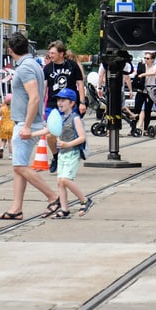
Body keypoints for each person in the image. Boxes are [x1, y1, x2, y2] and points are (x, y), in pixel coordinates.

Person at [0, 31, 60, 220]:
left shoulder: (25, 68)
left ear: (10, 50)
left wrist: (27, 126)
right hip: (25, 121)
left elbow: (35, 97)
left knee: (20, 166)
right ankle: (16, 208)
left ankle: (52, 197)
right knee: (18, 166)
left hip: (25, 122)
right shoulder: (33, 64)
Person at [33, 88, 94, 218]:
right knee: (60, 181)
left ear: (72, 103)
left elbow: (82, 137)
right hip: (62, 154)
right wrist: (30, 134)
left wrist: (67, 144)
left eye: (63, 100)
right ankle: (64, 209)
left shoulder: (75, 118)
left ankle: (84, 200)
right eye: (58, 100)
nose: (59, 103)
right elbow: (47, 130)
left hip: (72, 153)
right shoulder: (58, 118)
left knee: (66, 180)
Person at [43, 40, 87, 173]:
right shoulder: (47, 68)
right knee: (50, 134)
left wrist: (82, 102)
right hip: (53, 104)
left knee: (70, 132)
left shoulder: (72, 66)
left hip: (70, 103)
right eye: (49, 52)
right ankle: (56, 156)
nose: (50, 55)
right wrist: (40, 105)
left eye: (53, 53)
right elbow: (44, 88)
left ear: (61, 53)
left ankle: (76, 150)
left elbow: (80, 84)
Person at [136, 52, 156, 132]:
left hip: (149, 92)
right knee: (137, 110)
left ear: (152, 60)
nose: (145, 60)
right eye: (145, 58)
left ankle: (146, 129)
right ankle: (134, 128)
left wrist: (143, 74)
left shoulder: (155, 66)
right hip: (140, 91)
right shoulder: (142, 66)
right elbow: (136, 73)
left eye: (147, 58)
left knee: (147, 111)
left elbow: (153, 72)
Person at [0, 93, 14, 159]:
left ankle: (1, 148)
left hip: (3, 126)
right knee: (10, 141)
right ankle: (10, 155)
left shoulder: (2, 108)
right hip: (11, 126)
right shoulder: (14, 109)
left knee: (3, 140)